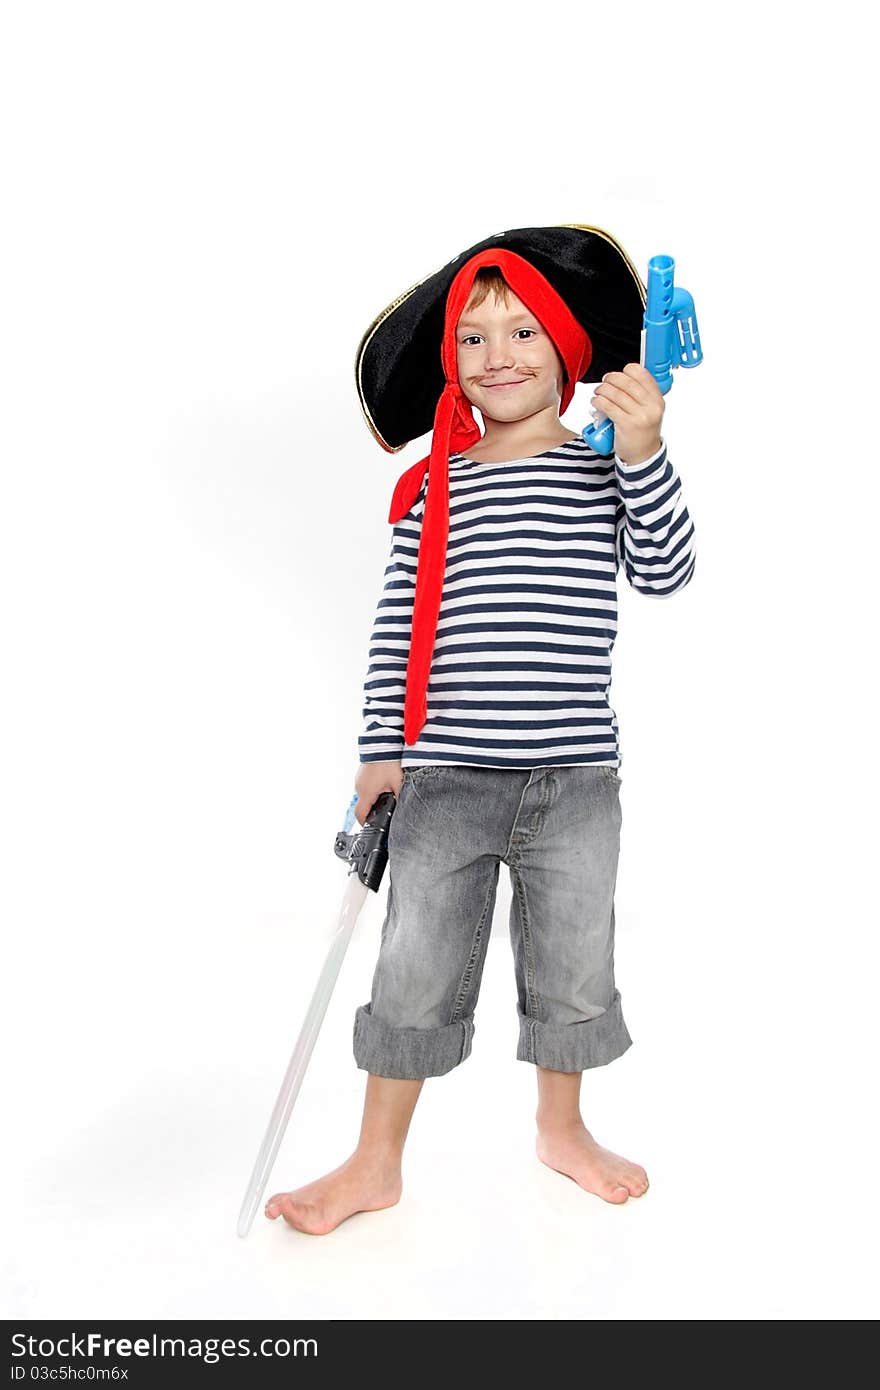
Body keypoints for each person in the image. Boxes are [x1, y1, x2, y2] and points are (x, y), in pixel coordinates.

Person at [265, 226, 696, 1235]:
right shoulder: (434, 488)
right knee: (412, 966)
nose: (495, 353)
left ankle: (563, 1128)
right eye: (471, 337)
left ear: (567, 349)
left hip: (575, 778)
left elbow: (668, 571)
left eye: (521, 330)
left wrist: (644, 452)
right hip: (446, 777)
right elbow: (394, 628)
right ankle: (376, 1159)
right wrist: (381, 750)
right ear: (450, 365)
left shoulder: (599, 471)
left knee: (573, 963)